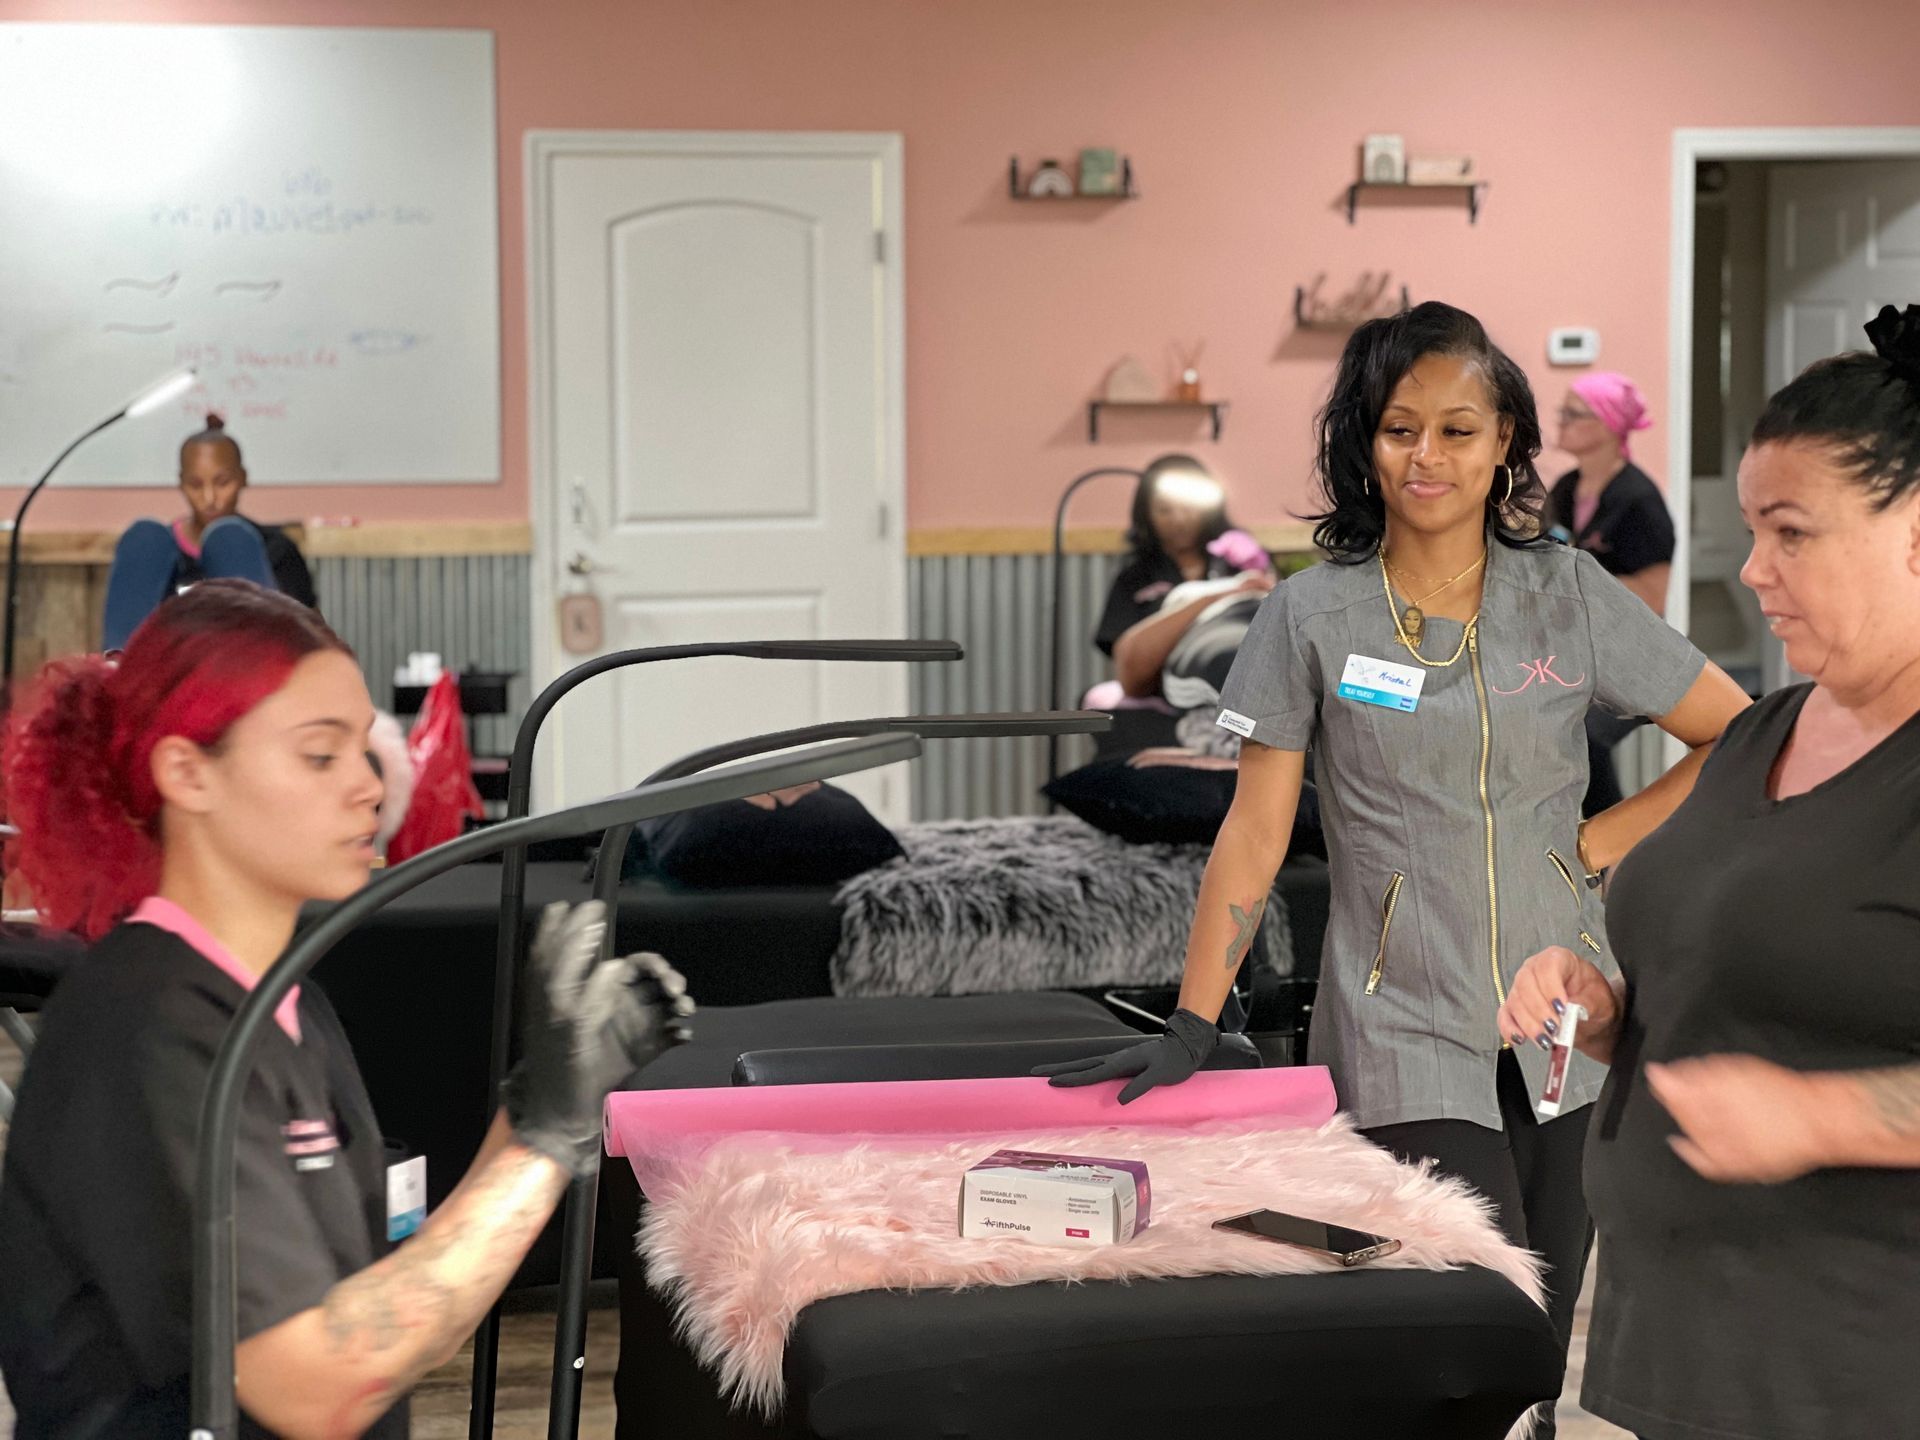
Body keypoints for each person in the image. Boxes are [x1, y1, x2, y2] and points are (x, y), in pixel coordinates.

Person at [1040, 302, 1751, 1436]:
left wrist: (1599, 847)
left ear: (1509, 439)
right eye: (1400, 428)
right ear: (1362, 443)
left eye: (1459, 431)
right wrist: (1192, 1013)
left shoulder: (1567, 594)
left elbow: (1737, 732)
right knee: (1456, 1322)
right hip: (1399, 1016)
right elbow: (1256, 833)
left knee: (1531, 1343)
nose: (1428, 458)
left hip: (1570, 1012)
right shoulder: (1310, 613)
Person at [0, 581, 691, 1438]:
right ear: (186, 772)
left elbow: (388, 1300)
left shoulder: (289, 1005)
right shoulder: (147, 1036)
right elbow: (315, 1385)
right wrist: (543, 1143)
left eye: (367, 751)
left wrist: (539, 1110)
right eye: (320, 755)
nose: (370, 787)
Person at [1499, 304, 1920, 1440]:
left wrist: (1828, 1118)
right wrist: (1603, 1010)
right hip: (1681, 1364)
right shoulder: (1757, 733)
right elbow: (1723, 979)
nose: (1754, 568)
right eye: (1750, 528)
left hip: (1859, 1376)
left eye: (1793, 532)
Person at [1547, 373, 1678, 814]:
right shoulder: (1565, 489)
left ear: (1604, 425)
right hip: (1574, 653)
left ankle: (1613, 849)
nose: (1560, 422)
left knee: (1583, 736)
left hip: (1631, 658)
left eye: (1573, 413)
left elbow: (1651, 599)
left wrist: (1575, 581)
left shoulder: (1639, 500)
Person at [101, 415, 319, 651]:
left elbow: (306, 638)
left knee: (231, 540)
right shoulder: (153, 553)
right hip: (165, 677)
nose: (209, 499)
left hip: (248, 677)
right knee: (144, 537)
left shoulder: (277, 550)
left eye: (222, 483)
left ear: (242, 478)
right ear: (181, 483)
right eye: (195, 485)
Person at [1092, 456, 1274, 702]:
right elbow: (1128, 662)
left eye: (1188, 508)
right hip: (1171, 684)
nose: (1178, 520)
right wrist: (1215, 598)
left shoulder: (1240, 560)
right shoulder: (1135, 578)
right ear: (1147, 514)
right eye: (1165, 510)